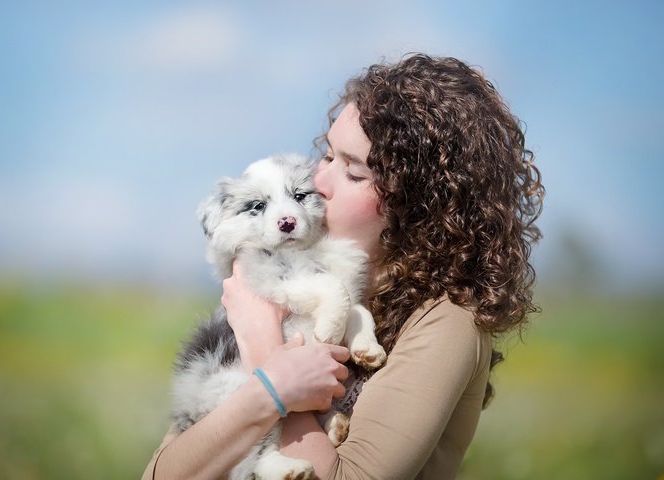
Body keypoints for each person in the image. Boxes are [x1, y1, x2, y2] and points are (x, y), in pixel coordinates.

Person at [142, 53, 544, 479]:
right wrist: (267, 377)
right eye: (328, 156)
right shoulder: (295, 287)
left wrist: (266, 353)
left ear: (420, 207)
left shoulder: (447, 324)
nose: (319, 182)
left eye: (352, 173)